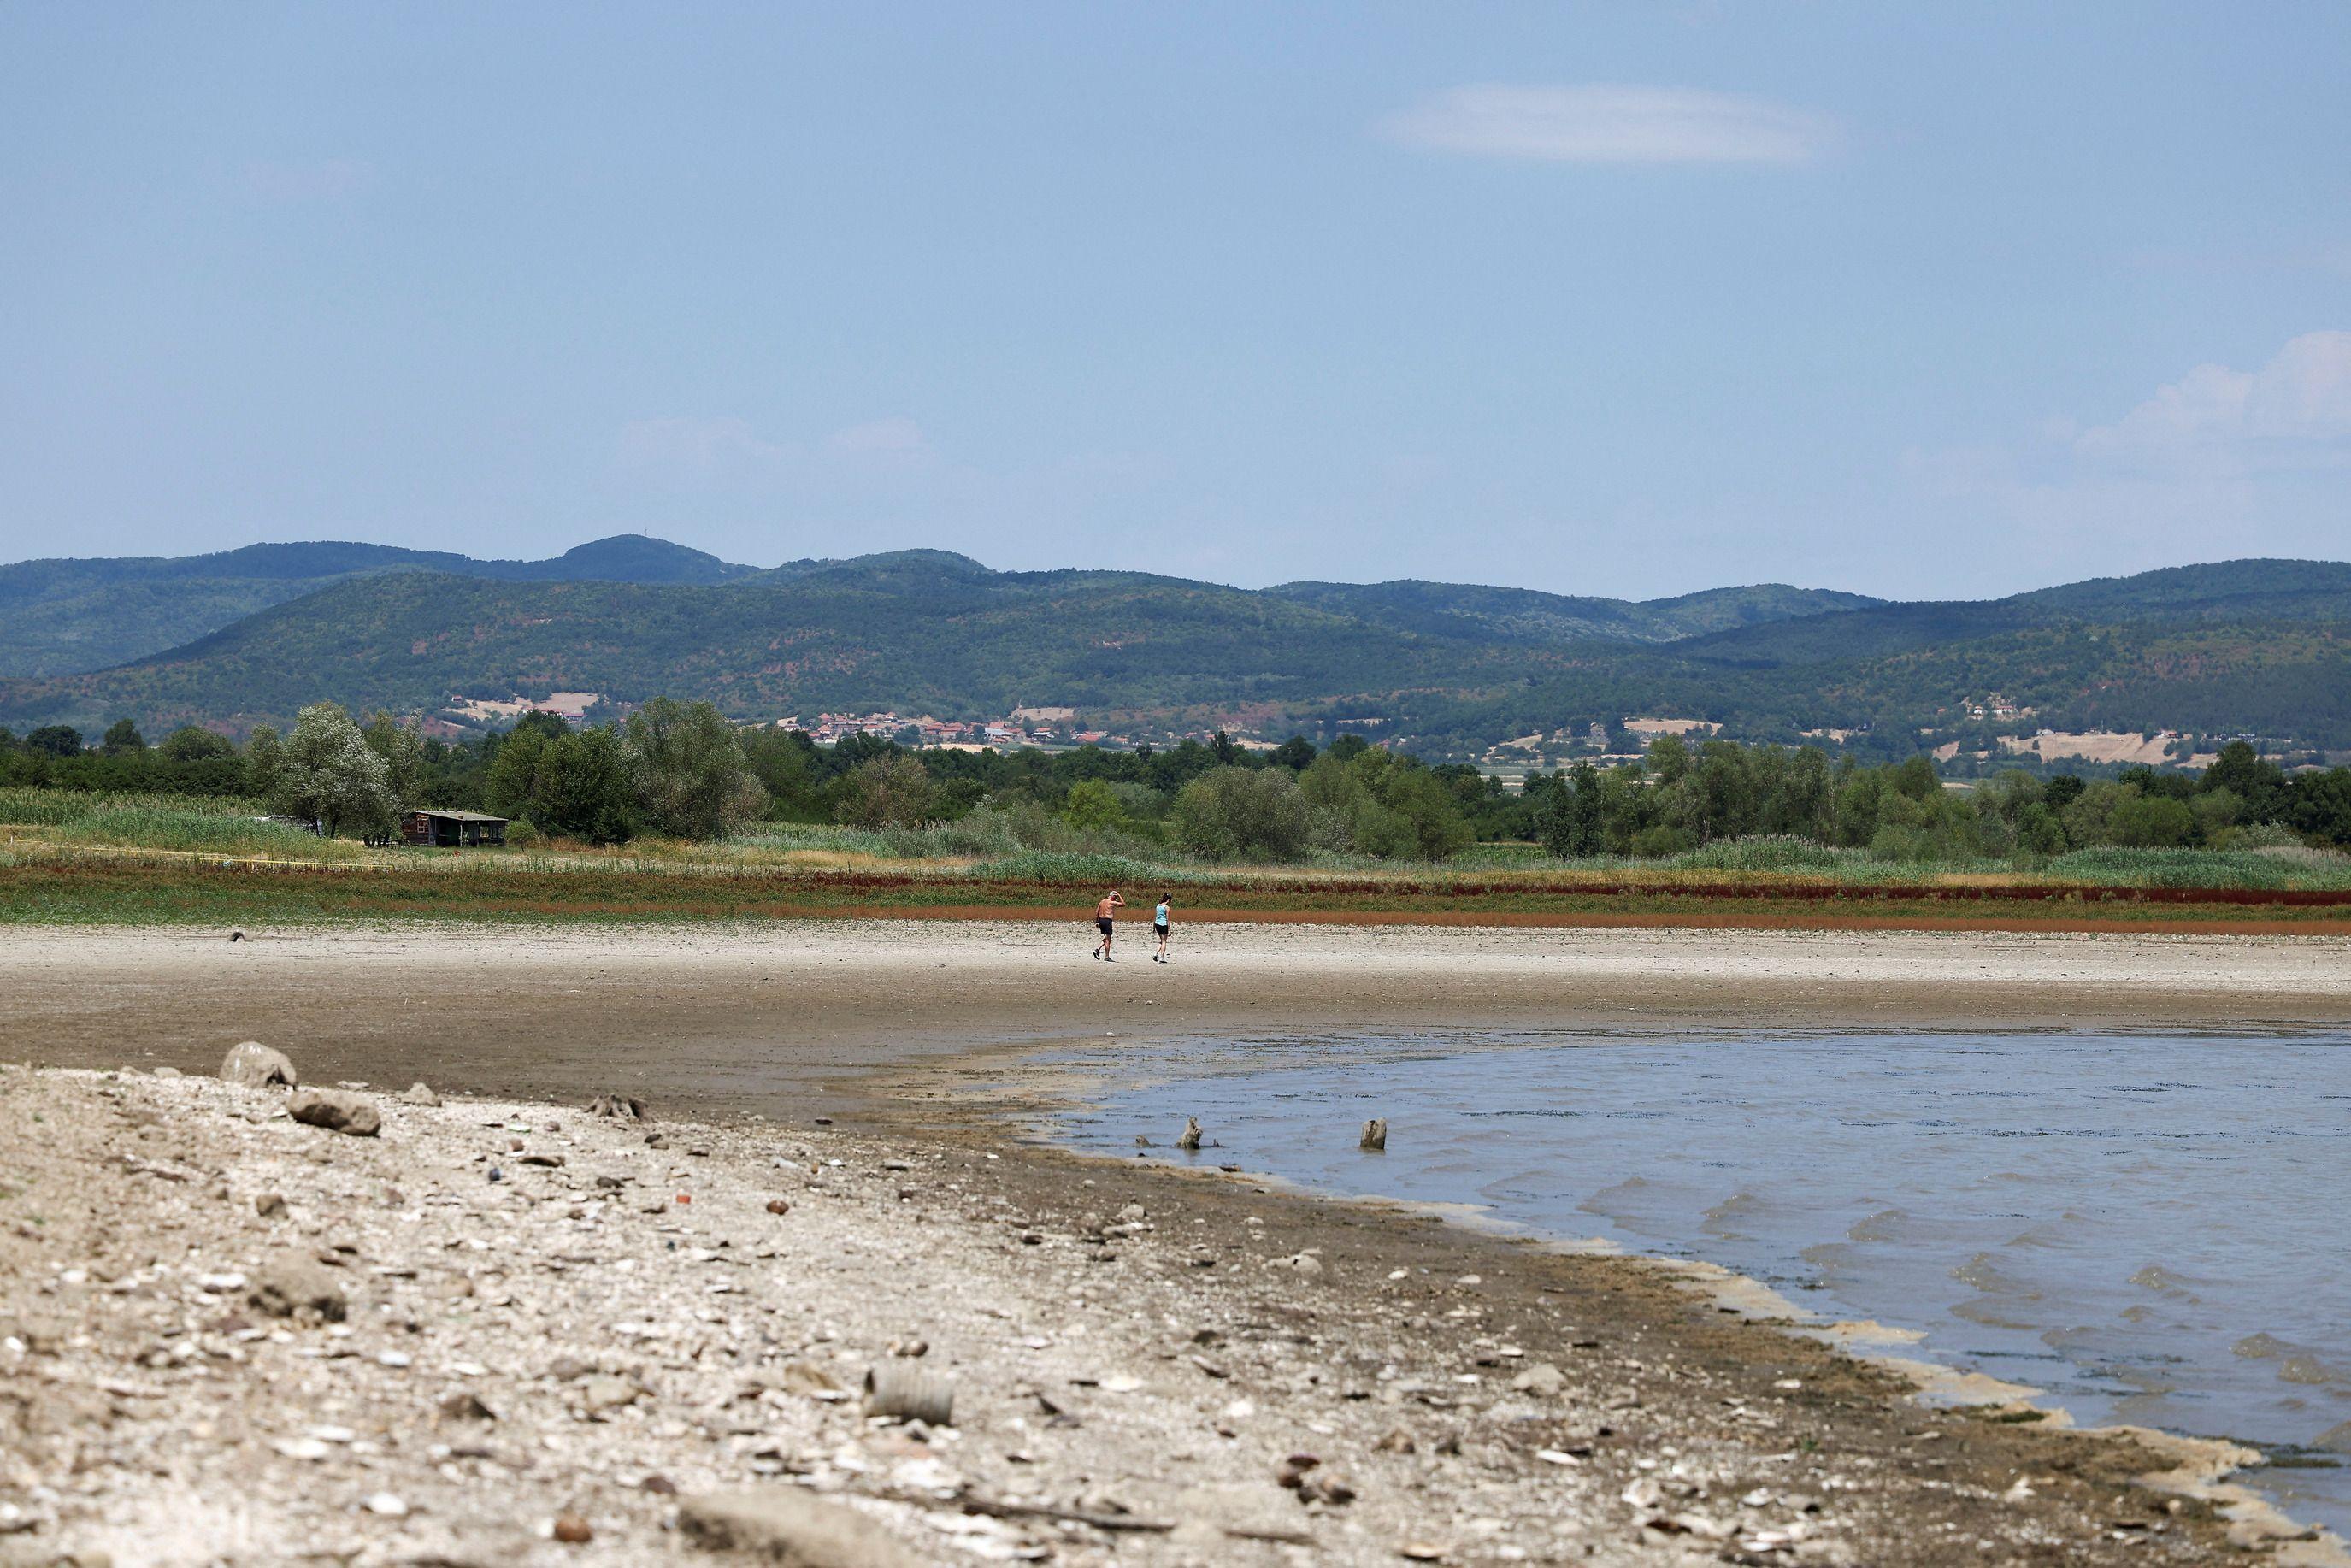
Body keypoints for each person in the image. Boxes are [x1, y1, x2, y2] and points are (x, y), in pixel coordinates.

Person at [1090, 888, 1125, 960]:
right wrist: (1119, 895)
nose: (1115, 899)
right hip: (1107, 921)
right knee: (1108, 940)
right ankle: (1106, 957)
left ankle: (1097, 950)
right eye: (1115, 897)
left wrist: (1097, 922)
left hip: (1101, 920)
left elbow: (1097, 911)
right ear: (1112, 896)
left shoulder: (1102, 901)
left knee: (1107, 938)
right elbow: (1123, 904)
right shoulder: (1112, 902)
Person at [1152, 893, 1173, 963]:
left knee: (1162, 940)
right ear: (1168, 900)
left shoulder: (1158, 905)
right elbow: (1168, 919)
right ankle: (1161, 958)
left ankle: (1155, 954)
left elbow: (1156, 916)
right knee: (1164, 941)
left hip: (1157, 924)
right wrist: (1169, 930)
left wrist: (1154, 928)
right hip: (1163, 924)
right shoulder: (1167, 907)